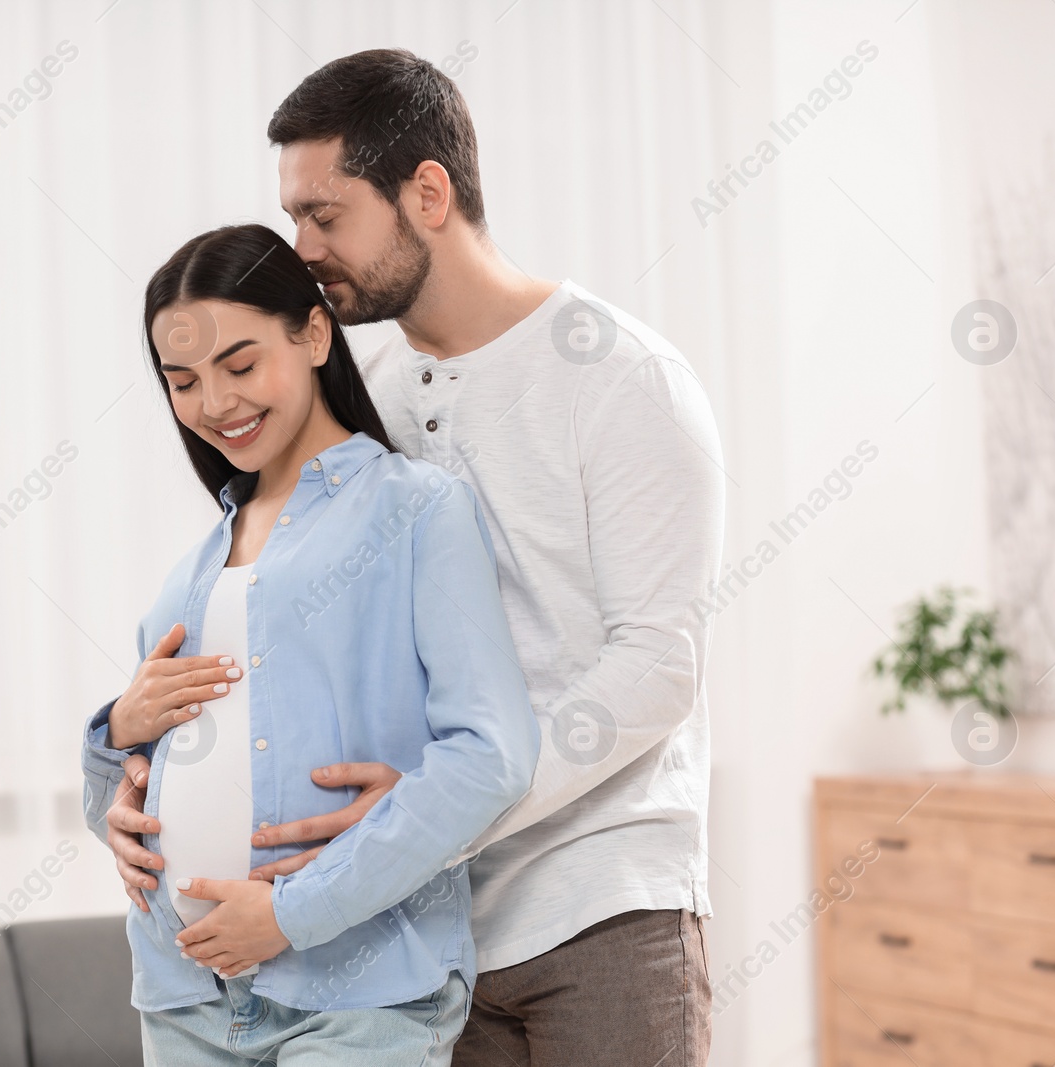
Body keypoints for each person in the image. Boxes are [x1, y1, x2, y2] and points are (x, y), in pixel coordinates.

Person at [98, 49, 726, 1067]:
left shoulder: (617, 376)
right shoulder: (366, 389)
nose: (302, 248)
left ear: (425, 193)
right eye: (293, 218)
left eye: (324, 214)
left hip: (598, 902)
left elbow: (658, 662)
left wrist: (452, 796)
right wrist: (130, 766)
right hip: (413, 926)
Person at [80, 222, 540, 1066]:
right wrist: (114, 746)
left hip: (355, 991)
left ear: (315, 332)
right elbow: (131, 805)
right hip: (187, 998)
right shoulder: (191, 570)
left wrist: (291, 914)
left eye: (241, 364)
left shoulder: (416, 511)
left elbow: (492, 754)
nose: (214, 402)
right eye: (182, 381)